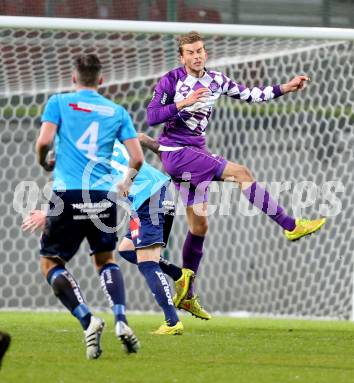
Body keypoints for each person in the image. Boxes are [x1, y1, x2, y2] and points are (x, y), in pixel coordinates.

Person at [146, 31, 326, 318]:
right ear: (181, 57)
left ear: (205, 53)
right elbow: (152, 116)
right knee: (242, 173)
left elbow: (251, 95)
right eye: (190, 52)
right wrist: (185, 102)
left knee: (199, 227)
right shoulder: (171, 80)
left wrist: (287, 87)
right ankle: (290, 224)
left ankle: (187, 292)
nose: (197, 56)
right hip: (177, 152)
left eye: (200, 51)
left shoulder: (217, 80)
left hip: (192, 154)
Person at [24, 138, 195, 334]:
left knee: (148, 262)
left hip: (149, 197)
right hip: (150, 195)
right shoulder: (107, 139)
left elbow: (75, 190)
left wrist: (48, 215)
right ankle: (179, 274)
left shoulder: (88, 157)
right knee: (127, 250)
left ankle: (173, 322)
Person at [35, 54, 143, 358]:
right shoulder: (117, 111)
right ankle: (121, 319)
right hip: (103, 196)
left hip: (67, 194)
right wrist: (126, 184)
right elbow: (137, 158)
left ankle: (87, 318)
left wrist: (44, 162)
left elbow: (44, 141)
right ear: (102, 80)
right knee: (106, 259)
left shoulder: (58, 102)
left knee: (50, 262)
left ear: (73, 78)